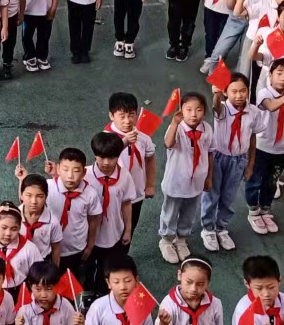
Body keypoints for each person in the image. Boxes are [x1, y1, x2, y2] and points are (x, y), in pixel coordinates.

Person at [17, 149, 100, 295]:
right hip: (49, 249)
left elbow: (94, 219)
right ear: (58, 168)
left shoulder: (90, 193)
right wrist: (22, 179)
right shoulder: (49, 186)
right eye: (65, 169)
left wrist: (90, 244)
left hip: (75, 247)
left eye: (76, 171)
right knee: (47, 286)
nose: (70, 175)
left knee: (71, 284)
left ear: (84, 172)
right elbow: (29, 195)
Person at [247, 58, 284, 234]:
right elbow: (271, 107)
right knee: (255, 180)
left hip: (283, 148)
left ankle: (265, 210)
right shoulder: (265, 93)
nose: (283, 78)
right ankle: (253, 211)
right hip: (262, 147)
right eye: (279, 73)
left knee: (272, 181)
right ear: (270, 75)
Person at [201, 74, 256, 253]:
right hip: (218, 158)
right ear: (226, 92)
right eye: (234, 91)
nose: (239, 95)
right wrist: (216, 95)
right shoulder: (223, 108)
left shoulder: (253, 112)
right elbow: (216, 108)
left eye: (243, 90)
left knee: (229, 197)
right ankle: (208, 229)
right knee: (212, 194)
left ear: (248, 91)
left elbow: (253, 138)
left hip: (239, 159)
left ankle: (221, 228)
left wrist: (250, 164)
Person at [159, 92, 213, 264]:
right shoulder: (178, 128)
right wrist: (174, 123)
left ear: (204, 111)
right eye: (188, 109)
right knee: (170, 212)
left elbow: (210, 153)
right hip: (176, 181)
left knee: (189, 213)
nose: (193, 114)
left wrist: (208, 177)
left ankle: (181, 239)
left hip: (196, 181)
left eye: (198, 109)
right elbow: (168, 143)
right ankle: (167, 240)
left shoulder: (207, 129)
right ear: (181, 110)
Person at [85, 131, 139, 298]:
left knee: (106, 267)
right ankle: (87, 291)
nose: (106, 163)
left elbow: (126, 203)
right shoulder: (85, 175)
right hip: (88, 233)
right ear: (95, 155)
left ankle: (102, 292)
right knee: (87, 265)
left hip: (113, 232)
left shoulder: (124, 176)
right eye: (101, 157)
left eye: (112, 158)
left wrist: (128, 229)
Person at [200, 0, 266, 75]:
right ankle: (214, 80)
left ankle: (240, 81)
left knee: (245, 59)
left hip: (253, 23)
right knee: (218, 52)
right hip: (235, 20)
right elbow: (230, 7)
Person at [106, 92, 157, 233]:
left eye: (131, 115)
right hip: (114, 194)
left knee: (130, 229)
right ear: (111, 116)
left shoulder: (143, 138)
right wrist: (125, 142)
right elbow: (106, 158)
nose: (127, 121)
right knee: (112, 230)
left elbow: (150, 160)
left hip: (136, 192)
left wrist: (150, 185)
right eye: (122, 116)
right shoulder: (106, 137)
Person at [16, 173, 60, 261]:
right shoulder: (14, 217)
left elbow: (56, 248)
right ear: (21, 195)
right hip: (18, 259)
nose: (34, 201)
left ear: (46, 197)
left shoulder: (52, 222)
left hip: (42, 261)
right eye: (29, 195)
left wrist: (54, 268)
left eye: (39, 196)